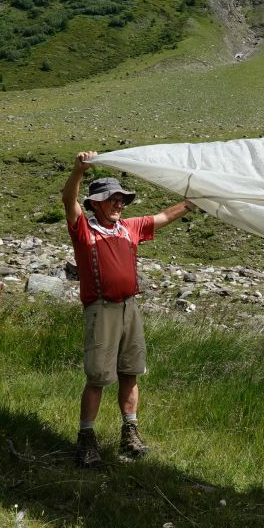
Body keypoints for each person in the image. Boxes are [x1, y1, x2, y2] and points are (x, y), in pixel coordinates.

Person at [62, 151, 195, 467]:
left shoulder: (129, 227)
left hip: (129, 308)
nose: (120, 205)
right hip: (101, 309)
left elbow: (162, 217)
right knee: (97, 377)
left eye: (122, 200)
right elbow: (68, 200)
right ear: (96, 203)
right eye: (113, 200)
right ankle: (86, 440)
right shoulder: (84, 229)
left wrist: (192, 202)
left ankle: (130, 433)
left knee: (130, 372)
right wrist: (79, 171)